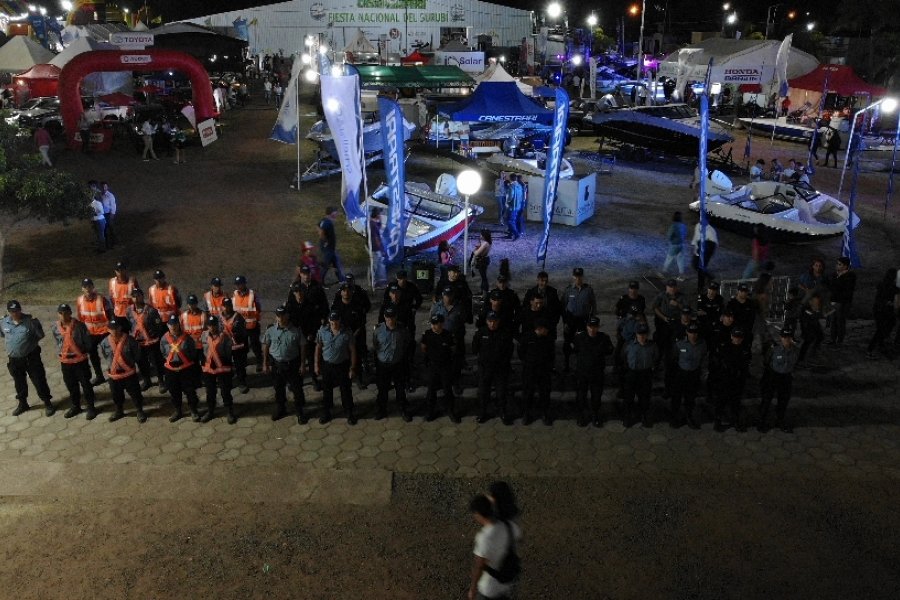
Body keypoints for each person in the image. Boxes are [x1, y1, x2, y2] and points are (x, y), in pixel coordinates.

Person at [1, 300, 54, 416]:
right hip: (14, 360)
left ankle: (47, 402)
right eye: (12, 311)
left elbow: (40, 335)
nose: (15, 313)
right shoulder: (3, 322)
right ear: (8, 311)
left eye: (17, 310)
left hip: (31, 358)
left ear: (20, 310)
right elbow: (3, 334)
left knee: (39, 381)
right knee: (19, 383)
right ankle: (23, 403)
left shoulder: (30, 322)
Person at [468, 494, 521, 600]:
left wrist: (473, 588)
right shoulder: (508, 526)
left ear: (478, 514)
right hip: (506, 583)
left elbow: (479, 566)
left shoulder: (484, 537)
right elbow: (518, 537)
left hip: (489, 588)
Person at [51, 303, 97, 419]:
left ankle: (91, 407)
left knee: (86, 385)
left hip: (80, 362)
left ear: (70, 313)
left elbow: (88, 343)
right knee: (71, 386)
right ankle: (76, 406)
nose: (63, 315)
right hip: (66, 363)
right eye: (60, 313)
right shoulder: (55, 327)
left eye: (66, 313)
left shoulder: (80, 326)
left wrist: (82, 351)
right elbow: (58, 342)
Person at [263, 306, 307, 423]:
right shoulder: (270, 330)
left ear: (287, 316)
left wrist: (303, 364)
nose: (280, 318)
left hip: (292, 365)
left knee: (297, 389)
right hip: (277, 365)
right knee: (278, 389)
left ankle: (300, 411)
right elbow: (266, 346)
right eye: (278, 316)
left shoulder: (296, 330)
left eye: (283, 315)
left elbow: (303, 347)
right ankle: (281, 409)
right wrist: (265, 363)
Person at [98, 317, 147, 422]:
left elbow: (137, 355)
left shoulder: (130, 340)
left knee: (135, 394)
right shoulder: (104, 343)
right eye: (112, 329)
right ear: (108, 329)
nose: (114, 331)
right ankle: (119, 411)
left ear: (120, 328)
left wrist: (130, 364)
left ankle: (140, 410)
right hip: (114, 375)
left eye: (116, 328)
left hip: (129, 374)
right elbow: (105, 356)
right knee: (116, 395)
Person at [315, 311, 357, 424]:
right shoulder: (322, 331)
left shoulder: (347, 332)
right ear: (329, 321)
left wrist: (352, 368)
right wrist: (316, 365)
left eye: (336, 321)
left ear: (340, 320)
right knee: (327, 390)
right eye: (332, 321)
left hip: (342, 365)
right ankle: (326, 413)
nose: (334, 324)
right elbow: (318, 348)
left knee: (346, 390)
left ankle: (349, 413)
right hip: (327, 366)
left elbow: (353, 350)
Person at [472, 311, 514, 424]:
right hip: (485, 368)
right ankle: (483, 413)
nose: (492, 324)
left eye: (494, 321)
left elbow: (510, 350)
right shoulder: (481, 332)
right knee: (483, 392)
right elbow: (475, 348)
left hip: (500, 369)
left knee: (501, 392)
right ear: (486, 321)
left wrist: (504, 363)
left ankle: (502, 412)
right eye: (490, 321)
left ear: (498, 321)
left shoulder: (505, 333)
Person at [573, 316, 614, 427]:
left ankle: (595, 415)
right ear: (587, 327)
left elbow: (610, 350)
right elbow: (575, 349)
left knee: (596, 396)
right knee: (581, 395)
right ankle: (581, 415)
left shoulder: (604, 338)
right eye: (590, 327)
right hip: (582, 373)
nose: (592, 329)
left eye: (595, 327)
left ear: (598, 327)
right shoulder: (579, 337)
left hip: (597, 373)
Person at [160, 315, 202, 422]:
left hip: (185, 369)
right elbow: (163, 352)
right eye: (171, 324)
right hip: (171, 369)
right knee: (174, 391)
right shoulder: (164, 339)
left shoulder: (187, 338)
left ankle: (193, 410)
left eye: (175, 324)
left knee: (190, 391)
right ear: (167, 325)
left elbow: (193, 353)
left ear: (179, 325)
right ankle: (178, 411)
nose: (173, 327)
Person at [757, 328, 800, 433]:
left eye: (788, 337)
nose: (786, 339)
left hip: (786, 377)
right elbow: (766, 361)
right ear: (781, 338)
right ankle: (761, 422)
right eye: (784, 337)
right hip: (773, 376)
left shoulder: (795, 350)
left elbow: (795, 363)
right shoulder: (774, 349)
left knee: (783, 401)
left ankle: (780, 421)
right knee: (767, 400)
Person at [372, 306, 411, 420]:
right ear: (384, 317)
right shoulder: (378, 330)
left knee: (400, 388)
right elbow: (375, 345)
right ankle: (381, 410)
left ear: (396, 317)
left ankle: (403, 409)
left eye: (392, 317)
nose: (390, 320)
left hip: (397, 364)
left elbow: (406, 343)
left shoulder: (402, 330)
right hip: (383, 365)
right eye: (388, 317)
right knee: (382, 389)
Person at [421, 314, 458, 422]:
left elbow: (453, 349)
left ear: (441, 324)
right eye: (432, 324)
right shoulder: (427, 334)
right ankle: (430, 411)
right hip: (433, 366)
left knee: (447, 389)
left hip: (445, 367)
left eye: (435, 324)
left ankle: (450, 411)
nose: (433, 326)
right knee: (431, 390)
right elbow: (423, 347)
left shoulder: (448, 335)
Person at [126, 288, 165, 392]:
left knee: (156, 362)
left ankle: (161, 381)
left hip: (151, 342)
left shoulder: (151, 310)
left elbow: (158, 326)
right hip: (138, 342)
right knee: (141, 363)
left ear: (142, 296)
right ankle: (147, 380)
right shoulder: (129, 311)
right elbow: (130, 324)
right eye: (134, 296)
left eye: (138, 295)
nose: (136, 298)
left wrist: (153, 335)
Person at [518, 318, 555, 425]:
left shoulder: (548, 339)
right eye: (545, 329)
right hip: (530, 370)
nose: (547, 330)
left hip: (544, 370)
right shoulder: (527, 338)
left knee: (544, 392)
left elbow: (551, 354)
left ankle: (544, 413)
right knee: (528, 392)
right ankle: (526, 414)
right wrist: (527, 362)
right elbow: (521, 352)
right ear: (539, 329)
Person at [76, 277, 113, 386]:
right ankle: (99, 376)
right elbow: (80, 318)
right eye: (85, 287)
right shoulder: (79, 300)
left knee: (110, 353)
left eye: (89, 286)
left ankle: (114, 373)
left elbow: (110, 314)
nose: (87, 288)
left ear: (93, 287)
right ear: (82, 288)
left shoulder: (102, 299)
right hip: (90, 333)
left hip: (104, 331)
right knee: (93, 356)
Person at [671, 322, 707, 429]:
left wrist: (702, 372)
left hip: (694, 374)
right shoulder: (680, 344)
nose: (693, 335)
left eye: (695, 332)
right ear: (687, 332)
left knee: (690, 398)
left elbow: (704, 358)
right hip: (681, 374)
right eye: (691, 332)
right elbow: (674, 358)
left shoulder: (702, 344)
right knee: (676, 397)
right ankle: (674, 417)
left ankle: (689, 417)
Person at [714, 328, 751, 432]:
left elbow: (747, 363)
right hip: (725, 379)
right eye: (735, 337)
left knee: (736, 402)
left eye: (739, 337)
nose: (737, 339)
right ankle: (717, 421)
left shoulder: (745, 349)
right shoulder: (724, 347)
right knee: (721, 401)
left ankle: (735, 421)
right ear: (731, 336)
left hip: (738, 380)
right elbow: (718, 362)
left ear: (742, 338)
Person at [561, 267, 596, 372]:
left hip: (583, 320)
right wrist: (565, 322)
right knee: (567, 342)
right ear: (573, 277)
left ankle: (581, 364)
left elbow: (593, 306)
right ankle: (567, 365)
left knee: (583, 342)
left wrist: (591, 320)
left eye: (580, 276)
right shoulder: (568, 290)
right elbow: (563, 306)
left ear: (582, 276)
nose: (578, 278)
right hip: (570, 320)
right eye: (576, 276)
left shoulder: (588, 290)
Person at [624, 323, 658, 428]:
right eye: (640, 334)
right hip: (632, 374)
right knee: (629, 397)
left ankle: (644, 416)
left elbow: (656, 358)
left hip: (645, 374)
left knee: (645, 397)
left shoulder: (653, 346)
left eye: (644, 334)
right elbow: (623, 357)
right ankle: (628, 417)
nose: (642, 336)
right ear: (636, 334)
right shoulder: (629, 345)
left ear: (647, 334)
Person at [866, 268, 898, 358]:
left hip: (881, 310)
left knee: (885, 327)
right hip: (882, 310)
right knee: (881, 330)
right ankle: (870, 350)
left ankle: (880, 345)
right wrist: (888, 302)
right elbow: (883, 299)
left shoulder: (885, 284)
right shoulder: (890, 286)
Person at [233, 275, 263, 371]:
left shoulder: (252, 294)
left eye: (240, 284)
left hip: (252, 325)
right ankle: (244, 360)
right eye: (237, 284)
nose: (238, 286)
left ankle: (259, 361)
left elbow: (258, 308)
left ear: (244, 284)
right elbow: (234, 309)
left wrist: (253, 317)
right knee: (243, 345)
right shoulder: (235, 294)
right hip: (241, 326)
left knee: (255, 345)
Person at [220, 297, 250, 393]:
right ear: (222, 306)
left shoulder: (238, 317)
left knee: (239, 365)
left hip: (237, 346)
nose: (227, 307)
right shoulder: (219, 317)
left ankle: (242, 382)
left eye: (229, 305)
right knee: (226, 365)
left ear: (231, 306)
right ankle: (228, 382)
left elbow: (243, 333)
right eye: (225, 306)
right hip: (225, 347)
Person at [827, 256, 856, 346]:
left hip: (842, 302)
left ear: (845, 266)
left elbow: (846, 290)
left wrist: (838, 278)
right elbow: (831, 287)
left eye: (839, 264)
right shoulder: (835, 274)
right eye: (837, 264)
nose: (837, 266)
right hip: (833, 301)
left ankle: (839, 341)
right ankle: (833, 339)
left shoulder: (850, 276)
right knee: (833, 321)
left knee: (840, 321)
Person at [318, 206, 345, 284]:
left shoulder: (324, 220)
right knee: (326, 266)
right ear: (331, 213)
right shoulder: (327, 222)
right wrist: (325, 241)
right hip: (328, 249)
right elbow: (321, 232)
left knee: (336, 263)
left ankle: (341, 279)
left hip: (330, 248)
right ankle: (319, 282)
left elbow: (318, 226)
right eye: (335, 212)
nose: (337, 214)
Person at [691, 221, 718, 295]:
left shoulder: (709, 229)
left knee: (699, 266)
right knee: (696, 265)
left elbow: (712, 243)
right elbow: (696, 238)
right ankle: (708, 276)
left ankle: (700, 288)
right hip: (706, 245)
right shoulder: (699, 226)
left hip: (707, 245)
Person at [661, 211, 687, 278]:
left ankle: (664, 272)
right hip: (681, 245)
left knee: (669, 258)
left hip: (674, 245)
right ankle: (681, 274)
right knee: (680, 260)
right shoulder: (683, 226)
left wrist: (670, 240)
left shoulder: (673, 226)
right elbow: (685, 235)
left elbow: (669, 235)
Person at [368, 207, 387, 287]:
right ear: (377, 214)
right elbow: (376, 239)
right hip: (375, 248)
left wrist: (380, 221)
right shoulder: (372, 225)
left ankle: (379, 281)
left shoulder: (372, 223)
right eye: (380, 214)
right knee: (375, 266)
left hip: (375, 248)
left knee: (379, 265)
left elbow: (379, 227)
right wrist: (381, 250)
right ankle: (373, 282)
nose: (381, 215)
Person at [470, 229, 492, 297]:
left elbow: (476, 253)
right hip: (484, 259)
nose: (480, 236)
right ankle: (483, 292)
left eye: (481, 235)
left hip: (483, 261)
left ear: (484, 236)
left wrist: (474, 250)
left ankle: (484, 294)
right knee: (483, 277)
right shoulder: (487, 242)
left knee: (484, 277)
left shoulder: (485, 243)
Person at [505, 174, 525, 240]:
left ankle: (516, 234)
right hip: (518, 206)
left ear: (510, 178)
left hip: (512, 206)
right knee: (513, 220)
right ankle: (510, 234)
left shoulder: (511, 186)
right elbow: (522, 196)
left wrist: (507, 202)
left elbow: (510, 196)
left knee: (510, 221)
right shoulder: (519, 186)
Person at [100, 182, 117, 249]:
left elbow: (113, 205)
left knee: (111, 229)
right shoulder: (100, 195)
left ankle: (114, 243)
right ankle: (107, 244)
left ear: (107, 187)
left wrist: (112, 214)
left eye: (105, 186)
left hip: (108, 214)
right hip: (103, 214)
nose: (104, 188)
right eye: (102, 187)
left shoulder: (110, 195)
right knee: (105, 230)